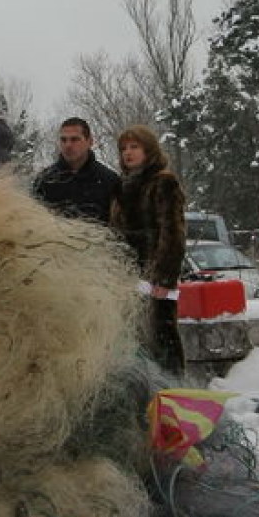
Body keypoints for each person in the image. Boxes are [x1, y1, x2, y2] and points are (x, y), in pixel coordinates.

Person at [109, 125, 186, 374]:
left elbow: (173, 232)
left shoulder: (163, 182)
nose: (128, 153)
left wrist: (164, 276)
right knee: (134, 340)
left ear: (148, 150)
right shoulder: (123, 185)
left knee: (162, 335)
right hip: (128, 273)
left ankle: (174, 391)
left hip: (155, 274)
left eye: (134, 147)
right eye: (123, 149)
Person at [32, 117, 122, 224]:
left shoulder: (109, 180)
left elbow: (119, 225)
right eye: (63, 140)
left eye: (75, 139)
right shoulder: (45, 180)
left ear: (90, 142)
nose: (68, 145)